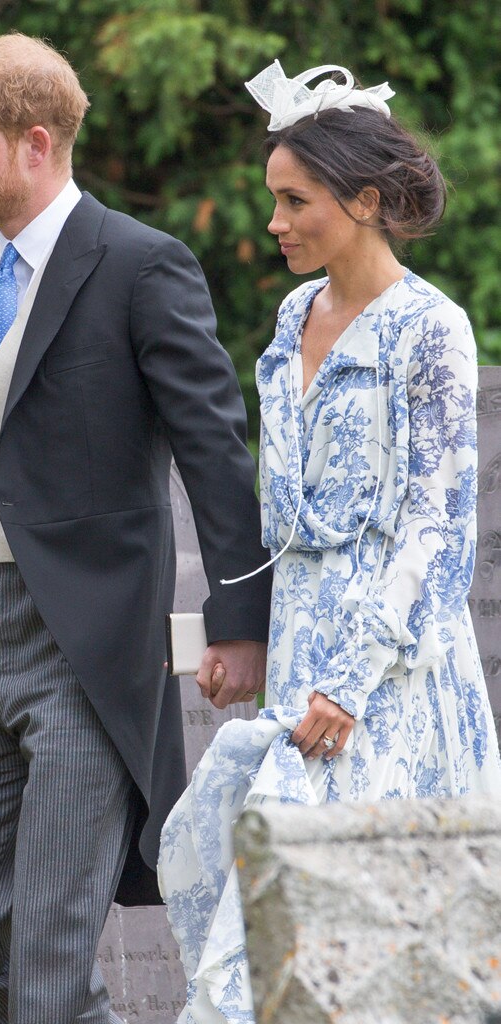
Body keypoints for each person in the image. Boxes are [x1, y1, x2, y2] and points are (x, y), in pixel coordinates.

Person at [0, 33, 272, 1024]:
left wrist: (241, 616)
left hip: (85, 647)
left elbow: (213, 447)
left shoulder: (143, 266)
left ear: (35, 143)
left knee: (53, 947)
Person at [159, 61, 501, 1024]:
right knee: (292, 954)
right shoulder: (288, 316)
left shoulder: (431, 328)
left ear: (365, 199)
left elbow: (437, 528)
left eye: (294, 200)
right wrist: (249, 634)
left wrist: (347, 681)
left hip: (387, 683)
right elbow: (280, 520)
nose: (274, 222)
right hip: (300, 661)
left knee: (344, 963)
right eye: (273, 199)